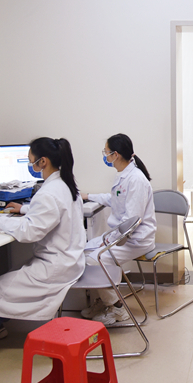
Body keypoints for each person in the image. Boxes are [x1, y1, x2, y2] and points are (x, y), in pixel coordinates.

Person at [0, 137, 86, 366]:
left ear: (43, 161)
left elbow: (31, 232)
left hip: (56, 266)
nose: (30, 164)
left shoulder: (50, 192)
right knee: (7, 281)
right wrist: (24, 209)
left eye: (31, 160)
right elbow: (50, 212)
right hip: (68, 259)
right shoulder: (65, 185)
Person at [80, 133, 156, 326]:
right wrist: (88, 196)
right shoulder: (125, 175)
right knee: (85, 250)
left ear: (116, 154)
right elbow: (114, 199)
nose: (104, 155)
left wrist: (108, 241)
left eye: (106, 152)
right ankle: (105, 301)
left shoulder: (136, 179)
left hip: (136, 239)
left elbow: (131, 221)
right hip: (123, 236)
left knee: (94, 259)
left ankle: (117, 308)